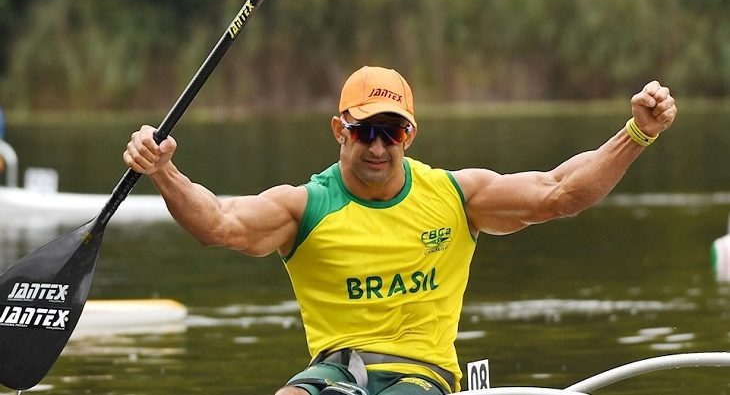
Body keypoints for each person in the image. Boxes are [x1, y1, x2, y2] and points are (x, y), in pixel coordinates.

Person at [123, 65, 677, 395]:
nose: (379, 147)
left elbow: (560, 193)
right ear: (339, 130)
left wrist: (638, 133)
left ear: (409, 135)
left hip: (422, 378)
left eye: (393, 132)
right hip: (335, 374)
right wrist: (163, 171)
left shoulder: (456, 196)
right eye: (365, 131)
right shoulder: (303, 208)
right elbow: (217, 224)